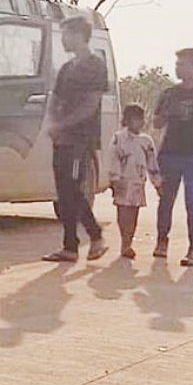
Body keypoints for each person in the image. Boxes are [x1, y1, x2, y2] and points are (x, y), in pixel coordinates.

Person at [44, 16, 109, 264]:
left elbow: (91, 105)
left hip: (81, 140)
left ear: (79, 35)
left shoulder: (95, 65)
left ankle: (95, 235)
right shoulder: (67, 68)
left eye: (66, 34)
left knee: (73, 188)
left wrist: (63, 124)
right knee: (63, 192)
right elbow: (55, 98)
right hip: (63, 139)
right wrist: (53, 123)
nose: (63, 39)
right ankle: (70, 246)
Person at [153, 47, 193, 266]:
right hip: (170, 153)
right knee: (165, 200)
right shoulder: (169, 94)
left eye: (183, 63)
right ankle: (162, 241)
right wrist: (167, 112)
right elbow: (156, 123)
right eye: (177, 63)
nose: (178, 67)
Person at [106, 104, 161, 259]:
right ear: (128, 120)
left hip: (138, 183)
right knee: (122, 212)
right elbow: (113, 159)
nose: (140, 122)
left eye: (141, 119)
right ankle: (124, 241)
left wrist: (157, 184)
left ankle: (128, 242)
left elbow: (152, 164)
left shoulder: (146, 141)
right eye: (137, 119)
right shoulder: (119, 138)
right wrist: (114, 179)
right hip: (122, 181)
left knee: (134, 213)